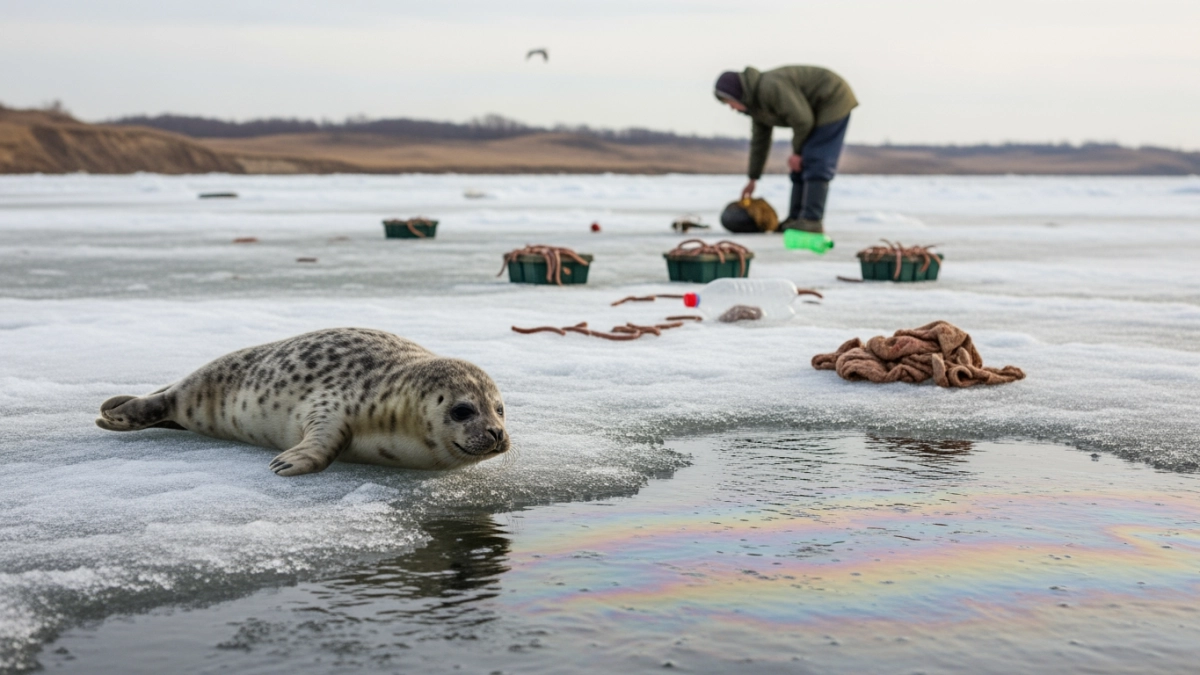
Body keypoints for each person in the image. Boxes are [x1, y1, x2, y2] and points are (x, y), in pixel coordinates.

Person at [714, 66, 857, 234]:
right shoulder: (756, 107)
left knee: (815, 159)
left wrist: (797, 153)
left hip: (832, 98)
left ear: (737, 94)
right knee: (800, 165)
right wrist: (753, 178)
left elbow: (803, 120)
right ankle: (795, 218)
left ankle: (811, 220)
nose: (731, 108)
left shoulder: (770, 87)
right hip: (814, 110)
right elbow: (760, 142)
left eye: (729, 102)